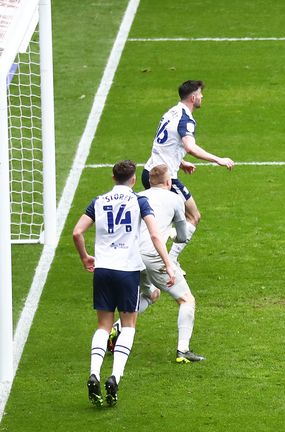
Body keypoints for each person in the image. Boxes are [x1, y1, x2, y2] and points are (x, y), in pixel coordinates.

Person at [72, 160, 175, 407]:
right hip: (127, 271)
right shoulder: (139, 201)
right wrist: (168, 264)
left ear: (112, 177)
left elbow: (77, 232)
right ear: (133, 179)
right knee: (128, 326)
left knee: (103, 326)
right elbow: (153, 234)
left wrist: (85, 256)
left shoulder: (98, 201)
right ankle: (115, 378)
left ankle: (94, 372)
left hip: (103, 270)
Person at [109, 165, 205, 363]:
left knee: (151, 294)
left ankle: (116, 328)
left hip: (131, 255)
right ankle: (183, 351)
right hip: (153, 256)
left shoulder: (137, 197)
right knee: (187, 300)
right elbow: (182, 235)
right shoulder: (175, 199)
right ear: (169, 183)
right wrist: (172, 236)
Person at [143, 80, 235, 269]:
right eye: (200, 94)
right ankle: (169, 261)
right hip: (164, 179)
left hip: (150, 171)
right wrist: (218, 159)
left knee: (162, 219)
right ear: (193, 98)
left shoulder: (171, 112)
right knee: (193, 216)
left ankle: (157, 258)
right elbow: (190, 147)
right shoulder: (186, 119)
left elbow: (164, 143)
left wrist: (181, 162)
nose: (202, 97)